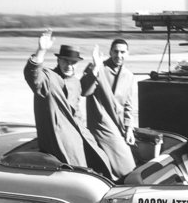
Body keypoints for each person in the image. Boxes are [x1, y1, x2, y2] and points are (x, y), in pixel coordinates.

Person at [24, 29, 114, 178]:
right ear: (58, 60)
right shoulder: (48, 77)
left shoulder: (75, 81)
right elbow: (33, 76)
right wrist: (41, 50)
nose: (69, 65)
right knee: (74, 170)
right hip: (57, 136)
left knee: (100, 159)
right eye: (65, 61)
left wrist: (96, 67)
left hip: (78, 132)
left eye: (73, 62)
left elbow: (84, 90)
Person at [80, 39, 136, 180]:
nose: (119, 55)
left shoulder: (128, 76)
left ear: (127, 54)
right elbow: (84, 91)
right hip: (101, 123)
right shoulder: (98, 67)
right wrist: (95, 68)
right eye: (115, 51)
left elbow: (128, 105)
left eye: (122, 52)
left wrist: (129, 128)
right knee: (127, 166)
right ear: (110, 52)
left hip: (120, 126)